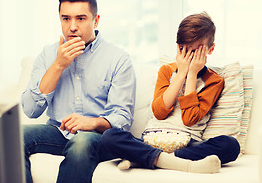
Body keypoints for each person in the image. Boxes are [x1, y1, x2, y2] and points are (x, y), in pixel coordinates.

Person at [21, 0, 136, 183]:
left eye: (80, 18)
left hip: (97, 138)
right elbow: (30, 110)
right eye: (66, 19)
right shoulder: (48, 55)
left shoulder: (118, 59)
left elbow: (122, 119)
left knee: (82, 141)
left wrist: (91, 122)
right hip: (57, 133)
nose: (72, 27)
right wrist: (58, 66)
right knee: (14, 137)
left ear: (96, 20)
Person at [100, 12, 240, 174]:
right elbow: (159, 113)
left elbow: (189, 119)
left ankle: (145, 158)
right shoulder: (167, 70)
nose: (188, 57)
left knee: (230, 145)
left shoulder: (214, 81)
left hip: (188, 141)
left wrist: (192, 74)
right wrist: (181, 74)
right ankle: (178, 163)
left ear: (211, 49)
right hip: (152, 138)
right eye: (183, 50)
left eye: (194, 52)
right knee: (109, 137)